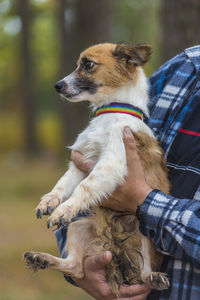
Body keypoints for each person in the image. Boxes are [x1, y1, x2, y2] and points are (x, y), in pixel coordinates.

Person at [55, 45, 200, 300]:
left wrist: (144, 202)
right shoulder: (185, 70)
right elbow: (93, 169)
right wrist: (82, 264)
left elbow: (126, 188)